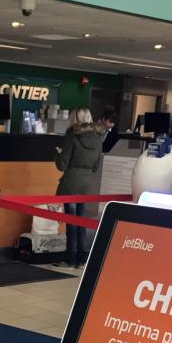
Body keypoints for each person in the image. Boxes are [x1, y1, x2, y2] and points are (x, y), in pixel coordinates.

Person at [54, 106, 103, 269]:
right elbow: (97, 166)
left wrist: (58, 153)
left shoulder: (72, 137)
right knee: (81, 221)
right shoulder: (98, 139)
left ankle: (70, 259)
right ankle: (82, 258)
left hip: (71, 182)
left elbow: (62, 165)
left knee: (71, 222)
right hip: (87, 183)